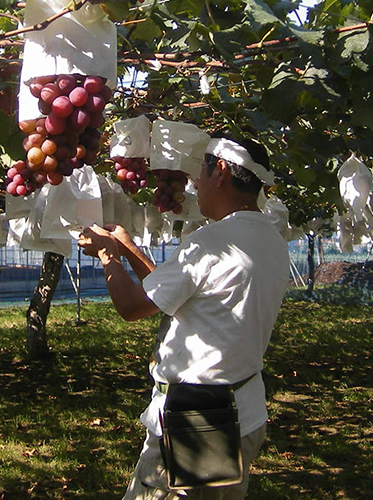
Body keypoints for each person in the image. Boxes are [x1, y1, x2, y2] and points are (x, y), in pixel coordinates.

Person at [79, 131, 290, 500]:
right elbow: (173, 294)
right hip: (243, 411)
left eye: (200, 174)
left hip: (197, 423)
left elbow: (132, 308)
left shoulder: (211, 242)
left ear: (221, 171)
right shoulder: (269, 238)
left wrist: (106, 255)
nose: (193, 184)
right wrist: (128, 248)